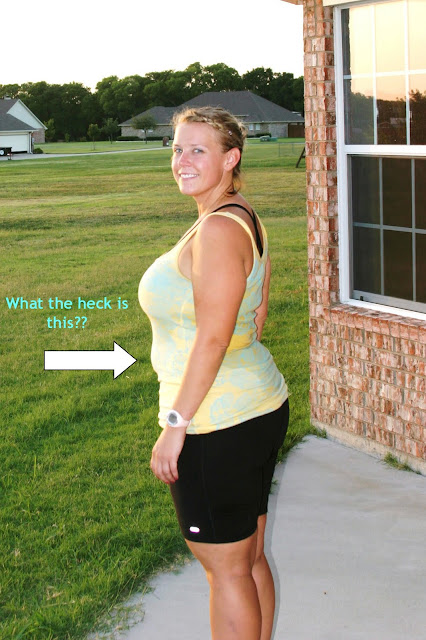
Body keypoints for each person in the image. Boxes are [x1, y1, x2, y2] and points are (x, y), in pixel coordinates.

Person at [138, 106, 289, 640]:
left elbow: (213, 338)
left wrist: (175, 425)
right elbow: (256, 314)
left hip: (215, 424)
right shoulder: (240, 215)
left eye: (198, 149)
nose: (183, 159)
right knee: (247, 558)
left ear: (231, 158)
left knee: (226, 571)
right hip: (254, 406)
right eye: (178, 148)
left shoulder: (219, 229)